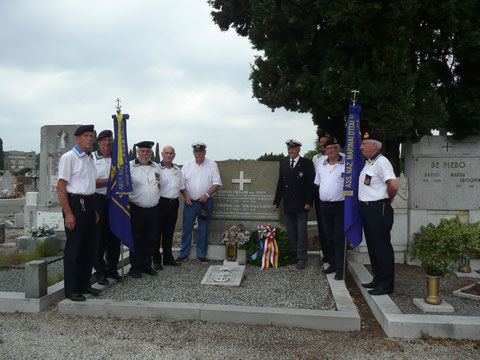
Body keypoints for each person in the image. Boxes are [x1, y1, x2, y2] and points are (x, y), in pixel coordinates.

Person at [57, 124, 100, 301]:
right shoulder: (69, 157)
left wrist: (94, 210)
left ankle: (84, 284)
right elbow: (61, 187)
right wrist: (69, 213)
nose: (89, 138)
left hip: (89, 204)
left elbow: (89, 186)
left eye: (91, 135)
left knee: (88, 248)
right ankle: (72, 289)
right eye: (86, 136)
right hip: (75, 203)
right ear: (77, 138)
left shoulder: (90, 158)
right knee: (75, 249)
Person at [359, 132, 398, 295]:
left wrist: (387, 199)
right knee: (373, 246)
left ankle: (386, 284)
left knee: (381, 247)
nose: (361, 147)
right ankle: (379, 277)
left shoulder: (382, 162)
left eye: (364, 144)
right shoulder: (369, 163)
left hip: (378, 209)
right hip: (368, 209)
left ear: (374, 145)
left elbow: (393, 186)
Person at [176, 142, 222, 263]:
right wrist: (185, 195)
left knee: (203, 229)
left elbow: (216, 183)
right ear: (193, 153)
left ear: (205, 152)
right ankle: (183, 253)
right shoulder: (187, 165)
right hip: (190, 202)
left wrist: (207, 195)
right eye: (196, 152)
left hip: (205, 203)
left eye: (200, 151)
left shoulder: (212, 165)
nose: (198, 154)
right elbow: (181, 183)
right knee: (187, 229)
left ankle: (201, 254)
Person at [273, 139, 315, 269]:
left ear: (299, 150)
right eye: (289, 149)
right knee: (291, 232)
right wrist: (276, 202)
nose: (290, 151)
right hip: (289, 204)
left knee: (301, 232)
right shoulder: (284, 164)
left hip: (302, 204)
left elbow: (310, 185)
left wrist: (309, 202)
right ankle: (295, 254)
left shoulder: (306, 163)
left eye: (293, 149)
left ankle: (302, 257)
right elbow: (280, 184)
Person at [92, 130, 122, 285]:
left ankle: (112, 268)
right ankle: (99, 271)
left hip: (116, 201)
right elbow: (91, 181)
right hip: (99, 199)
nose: (107, 143)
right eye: (104, 140)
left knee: (115, 235)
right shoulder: (92, 159)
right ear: (99, 142)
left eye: (110, 140)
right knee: (99, 237)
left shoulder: (117, 159)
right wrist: (111, 181)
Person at [314, 137, 345, 280]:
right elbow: (319, 184)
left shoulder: (345, 165)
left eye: (333, 148)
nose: (331, 151)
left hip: (340, 206)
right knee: (329, 237)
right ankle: (332, 264)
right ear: (325, 151)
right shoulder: (321, 166)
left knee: (339, 238)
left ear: (338, 149)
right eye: (328, 149)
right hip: (324, 205)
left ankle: (340, 268)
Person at [129, 141, 161, 278]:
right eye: (142, 151)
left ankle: (147, 264)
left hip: (153, 208)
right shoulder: (130, 166)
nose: (145, 154)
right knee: (136, 238)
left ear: (151, 153)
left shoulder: (156, 167)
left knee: (151, 238)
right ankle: (135, 267)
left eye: (148, 152)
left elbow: (159, 185)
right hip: (137, 208)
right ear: (138, 152)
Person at [152, 145, 185, 269]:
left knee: (169, 232)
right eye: (166, 153)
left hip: (173, 203)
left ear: (174, 155)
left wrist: (187, 198)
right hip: (160, 203)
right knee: (157, 232)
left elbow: (182, 187)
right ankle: (156, 260)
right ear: (162, 154)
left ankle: (168, 258)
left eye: (171, 153)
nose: (169, 155)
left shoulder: (177, 169)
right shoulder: (157, 168)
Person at [312, 131, 332, 263]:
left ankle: (336, 255)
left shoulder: (342, 156)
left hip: (336, 198)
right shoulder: (316, 158)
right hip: (320, 195)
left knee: (334, 228)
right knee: (322, 226)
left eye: (326, 142)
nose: (323, 145)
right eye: (321, 143)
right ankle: (326, 254)